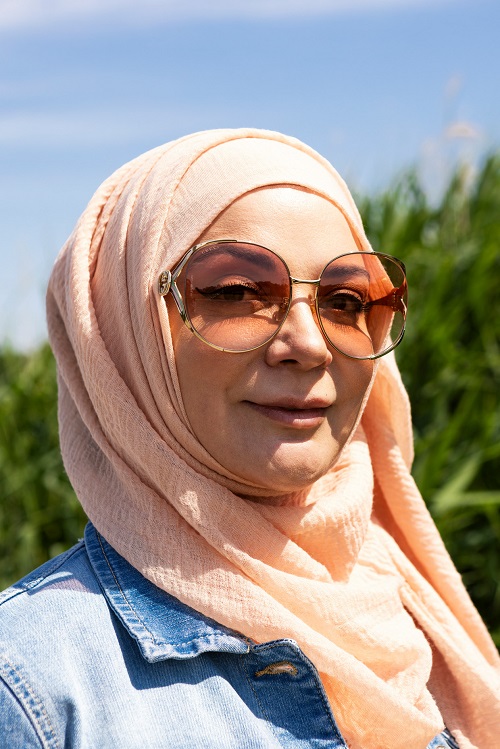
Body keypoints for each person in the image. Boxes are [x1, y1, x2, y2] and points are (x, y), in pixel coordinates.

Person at [0, 129, 498, 749]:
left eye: (346, 300)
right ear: (124, 329)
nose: (310, 345)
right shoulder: (34, 687)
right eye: (236, 292)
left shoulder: (415, 614)